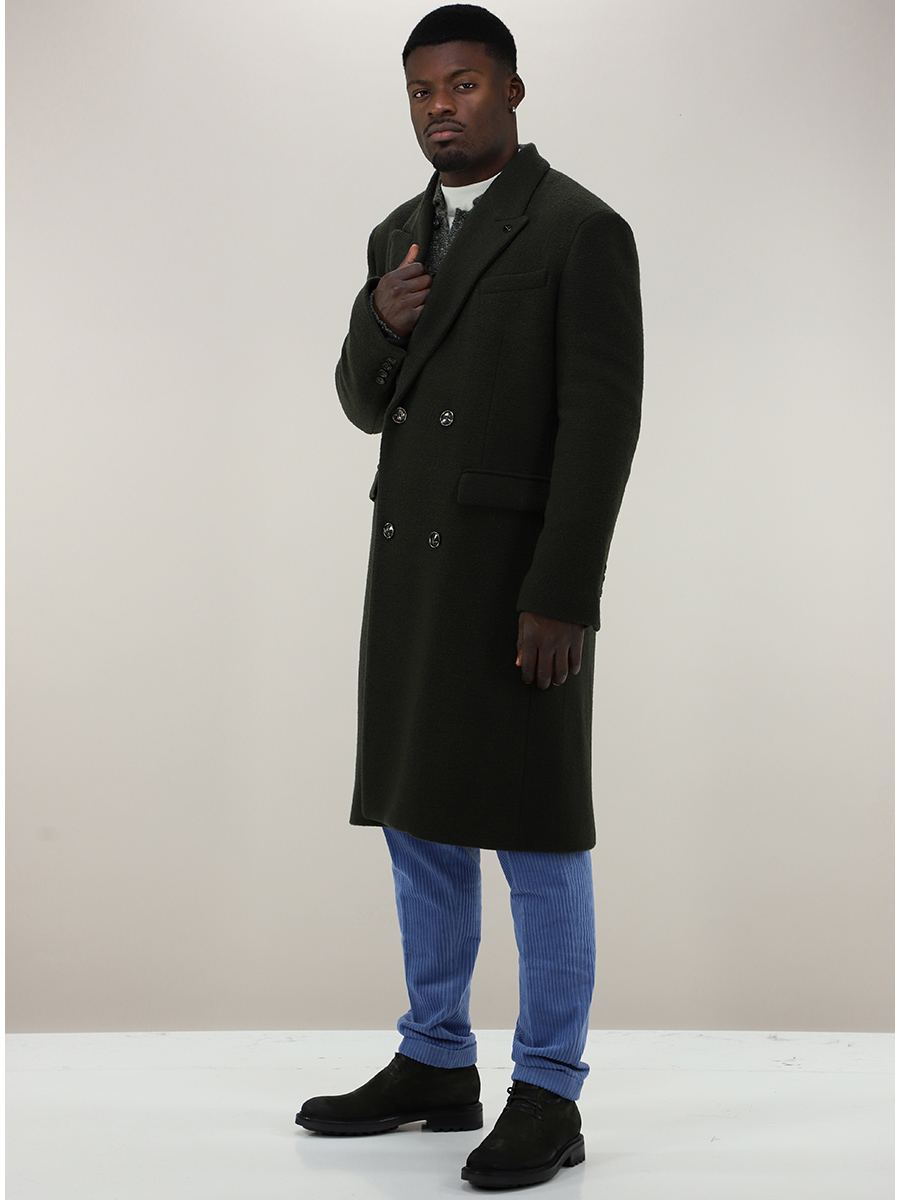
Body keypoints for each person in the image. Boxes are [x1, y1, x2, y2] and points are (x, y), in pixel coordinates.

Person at [295, 4, 643, 1189]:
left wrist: (566, 591)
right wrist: (375, 320)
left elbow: (601, 424)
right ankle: (437, 1060)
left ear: (512, 91)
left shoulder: (581, 229)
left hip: (517, 584)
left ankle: (549, 1092)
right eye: (421, 91)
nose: (440, 107)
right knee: (421, 821)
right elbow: (362, 403)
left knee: (537, 834)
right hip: (413, 572)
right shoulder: (397, 234)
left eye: (463, 84)